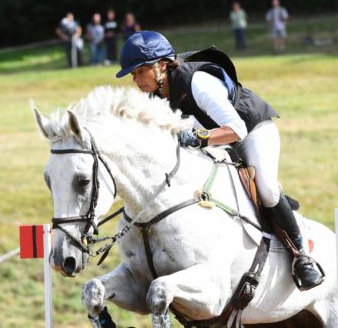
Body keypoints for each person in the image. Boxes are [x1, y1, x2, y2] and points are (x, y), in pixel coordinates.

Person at [115, 31, 324, 291]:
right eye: (133, 74)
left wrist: (199, 138)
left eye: (139, 71)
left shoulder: (197, 81)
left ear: (161, 65)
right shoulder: (155, 96)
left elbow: (236, 129)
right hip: (215, 141)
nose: (135, 80)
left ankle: (302, 255)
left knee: (267, 190)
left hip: (250, 131)